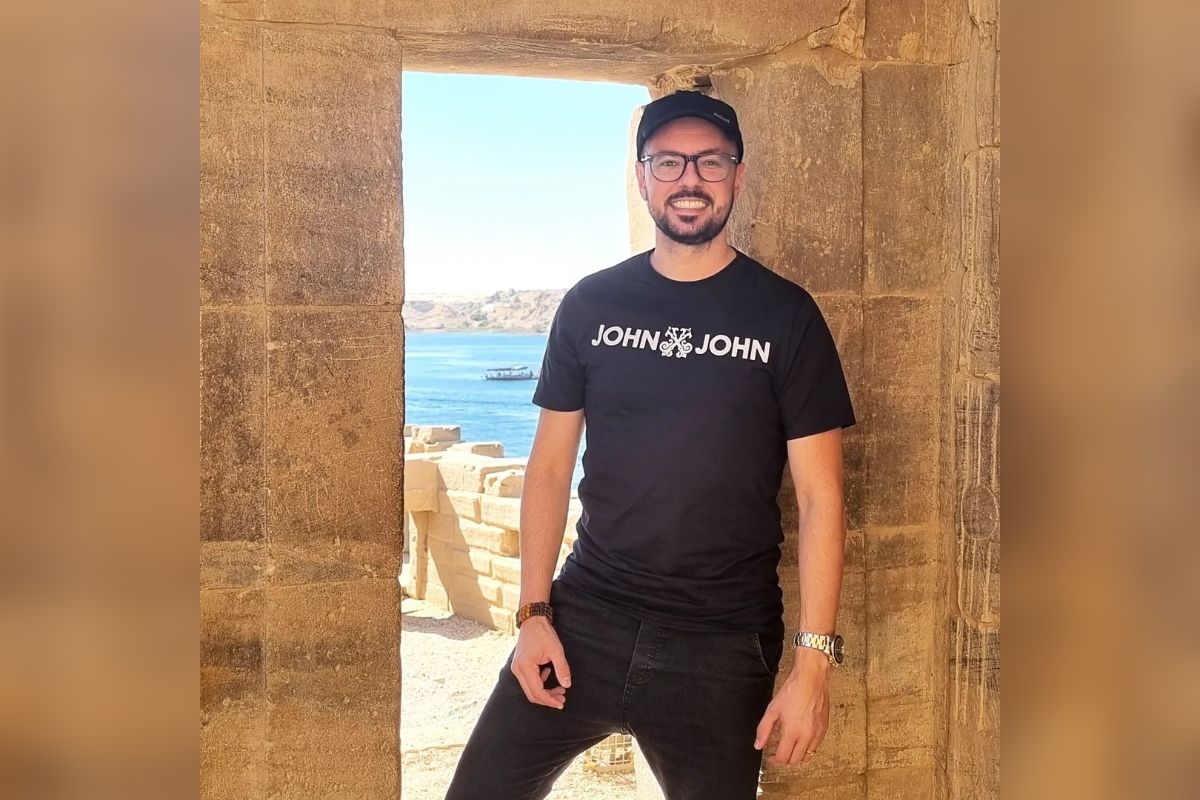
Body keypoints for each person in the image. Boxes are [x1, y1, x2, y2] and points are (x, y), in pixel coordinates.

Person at [444, 90, 856, 800]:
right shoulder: (591, 305)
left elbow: (822, 498)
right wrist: (533, 616)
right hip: (584, 621)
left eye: (710, 162)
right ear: (643, 178)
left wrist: (812, 666)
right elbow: (549, 469)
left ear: (737, 176)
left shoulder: (786, 316)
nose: (689, 179)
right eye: (669, 162)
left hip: (721, 646)